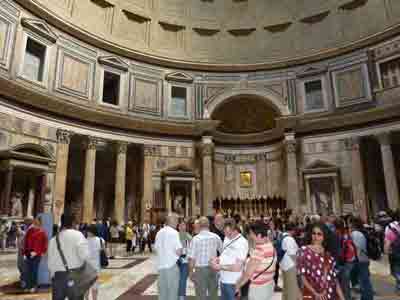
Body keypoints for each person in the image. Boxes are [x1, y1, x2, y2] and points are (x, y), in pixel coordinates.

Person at [297, 222, 345, 300]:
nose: (316, 236)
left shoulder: (328, 254)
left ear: (324, 236)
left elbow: (334, 280)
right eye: (314, 233)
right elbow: (302, 276)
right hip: (313, 295)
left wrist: (342, 298)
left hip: (330, 294)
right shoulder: (304, 251)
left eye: (319, 234)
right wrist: (315, 293)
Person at [48, 213, 90, 300]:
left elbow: (50, 261)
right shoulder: (78, 235)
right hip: (75, 275)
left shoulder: (53, 240)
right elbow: (85, 256)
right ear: (73, 223)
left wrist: (53, 276)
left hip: (58, 277)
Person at [235, 221, 276, 300]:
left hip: (259, 289)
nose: (250, 236)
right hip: (269, 284)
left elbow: (248, 274)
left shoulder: (259, 251)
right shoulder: (270, 246)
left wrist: (237, 286)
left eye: (252, 234)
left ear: (259, 235)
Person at [211, 218, 248, 300]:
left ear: (235, 230)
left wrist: (220, 267)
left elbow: (237, 267)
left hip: (234, 282)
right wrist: (217, 259)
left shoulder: (242, 242)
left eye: (229, 233)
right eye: (225, 233)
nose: (227, 235)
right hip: (223, 279)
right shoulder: (227, 238)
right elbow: (225, 254)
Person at [188, 216, 222, 300]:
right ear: (209, 225)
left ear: (199, 225)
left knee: (200, 294)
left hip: (200, 269)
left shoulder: (195, 239)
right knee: (213, 294)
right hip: (213, 268)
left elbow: (192, 258)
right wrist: (218, 264)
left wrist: (190, 272)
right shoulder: (216, 237)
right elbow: (223, 252)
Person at [154, 213, 182, 300]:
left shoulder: (159, 232)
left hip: (161, 267)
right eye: (177, 221)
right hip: (171, 267)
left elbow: (156, 249)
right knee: (172, 294)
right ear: (172, 221)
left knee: (162, 294)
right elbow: (179, 251)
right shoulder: (174, 233)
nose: (177, 223)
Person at [350, 217, 374, 300]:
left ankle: (367, 297)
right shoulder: (361, 232)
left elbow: (357, 249)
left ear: (353, 224)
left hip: (360, 260)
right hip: (364, 259)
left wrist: (353, 260)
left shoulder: (356, 234)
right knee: (364, 281)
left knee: (363, 282)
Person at [23, 216, 48, 293]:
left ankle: (34, 286)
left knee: (34, 271)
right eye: (35, 221)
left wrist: (37, 252)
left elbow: (45, 245)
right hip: (28, 254)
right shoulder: (30, 231)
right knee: (27, 271)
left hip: (37, 255)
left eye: (37, 221)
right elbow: (25, 242)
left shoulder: (43, 232)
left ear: (40, 223)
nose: (35, 222)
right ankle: (28, 286)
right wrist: (24, 253)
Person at [280, 222, 300, 300]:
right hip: (290, 266)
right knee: (292, 289)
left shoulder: (282, 236)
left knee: (286, 287)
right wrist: (297, 265)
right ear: (292, 230)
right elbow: (292, 254)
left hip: (284, 265)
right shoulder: (289, 239)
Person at [86, 224, 105, 300]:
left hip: (87, 266)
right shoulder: (101, 240)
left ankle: (87, 299)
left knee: (87, 286)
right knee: (95, 286)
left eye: (88, 231)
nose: (87, 232)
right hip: (96, 266)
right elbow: (103, 251)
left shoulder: (84, 240)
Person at [384, 211, 400, 295]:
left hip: (395, 252)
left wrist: (386, 251)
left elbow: (387, 241)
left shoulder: (389, 227)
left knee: (395, 271)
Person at [178, 220, 192, 300]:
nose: (183, 227)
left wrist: (187, 258)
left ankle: (181, 297)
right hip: (176, 260)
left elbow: (192, 249)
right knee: (177, 280)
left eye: (184, 225)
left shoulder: (189, 237)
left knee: (183, 279)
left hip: (185, 260)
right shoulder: (175, 236)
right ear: (178, 227)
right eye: (181, 225)